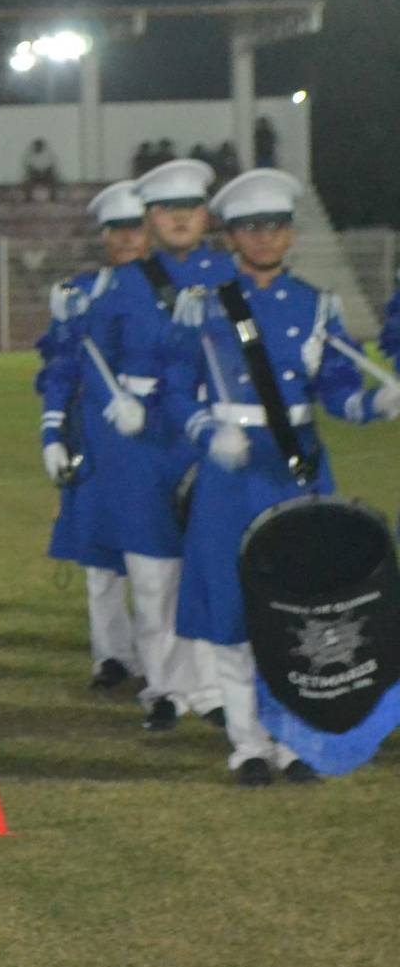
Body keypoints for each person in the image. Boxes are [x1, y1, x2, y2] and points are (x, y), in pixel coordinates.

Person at [161, 168, 399, 784]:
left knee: (303, 608)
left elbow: (338, 391)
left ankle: (296, 741)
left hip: (296, 470)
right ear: (232, 236)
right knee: (235, 611)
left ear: (291, 234)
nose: (265, 237)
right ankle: (247, 746)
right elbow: (175, 395)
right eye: (250, 228)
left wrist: (373, 404)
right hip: (228, 476)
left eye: (275, 226)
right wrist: (208, 435)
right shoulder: (203, 304)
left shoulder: (318, 306)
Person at [83, 158, 233, 732]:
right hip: (142, 440)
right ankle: (166, 686)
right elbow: (91, 358)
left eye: (190, 209)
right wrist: (113, 400)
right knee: (152, 574)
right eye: (167, 211)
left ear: (206, 216)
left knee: (212, 566)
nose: (179, 220)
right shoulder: (120, 284)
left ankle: (215, 686)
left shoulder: (231, 275)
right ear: (149, 219)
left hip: (214, 433)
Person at [36, 182, 148, 692]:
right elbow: (60, 369)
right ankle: (112, 656)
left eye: (135, 228)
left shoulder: (181, 290)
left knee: (160, 558)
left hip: (163, 437)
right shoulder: (79, 293)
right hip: (98, 439)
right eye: (116, 230)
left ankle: (162, 662)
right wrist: (53, 432)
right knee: (101, 559)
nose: (126, 239)